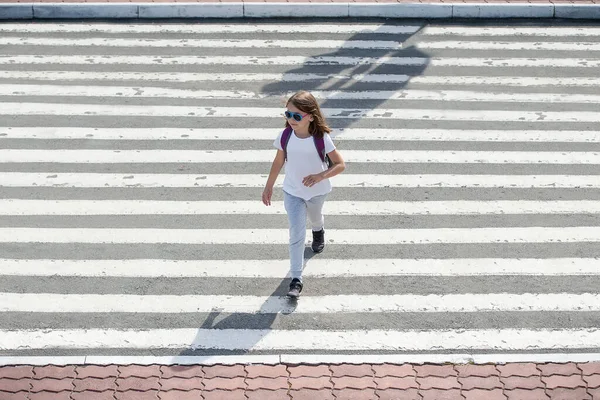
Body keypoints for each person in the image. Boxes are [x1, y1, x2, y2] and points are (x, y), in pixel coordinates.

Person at [262, 91, 346, 298]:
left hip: (317, 191)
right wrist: (269, 186)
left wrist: (320, 175)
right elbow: (278, 162)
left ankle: (318, 231)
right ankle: (296, 279)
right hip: (292, 192)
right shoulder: (285, 136)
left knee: (315, 217)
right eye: (288, 115)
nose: (291, 120)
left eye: (297, 116)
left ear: (310, 116)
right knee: (296, 234)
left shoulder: (321, 138)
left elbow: (340, 164)